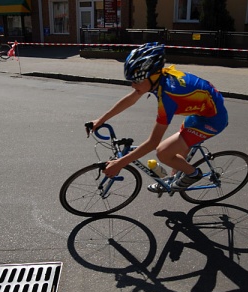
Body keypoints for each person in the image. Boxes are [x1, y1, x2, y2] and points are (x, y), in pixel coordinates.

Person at [88, 42, 228, 192]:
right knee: (175, 156)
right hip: (200, 112)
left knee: (163, 152)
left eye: (137, 81)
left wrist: (120, 163)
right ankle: (176, 178)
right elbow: (130, 99)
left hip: (213, 120)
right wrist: (101, 120)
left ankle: (193, 174)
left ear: (152, 76)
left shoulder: (168, 96)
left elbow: (153, 142)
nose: (133, 85)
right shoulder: (157, 80)